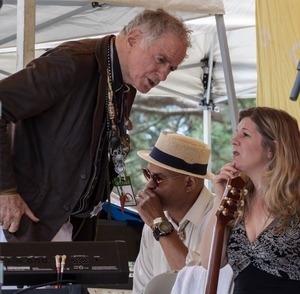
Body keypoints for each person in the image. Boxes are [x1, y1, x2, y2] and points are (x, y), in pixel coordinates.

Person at [0, 8, 191, 242]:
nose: (163, 75)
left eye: (171, 68)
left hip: (70, 226)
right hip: (25, 223)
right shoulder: (72, 62)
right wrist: (6, 191)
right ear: (133, 39)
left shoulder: (125, 82)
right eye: (161, 60)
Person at [198, 106, 300, 293]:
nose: (233, 140)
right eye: (236, 133)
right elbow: (209, 261)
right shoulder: (237, 199)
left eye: (245, 135)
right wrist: (220, 196)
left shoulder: (296, 200)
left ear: (272, 148)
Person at [133, 131, 215, 293]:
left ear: (190, 183)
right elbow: (142, 288)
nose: (149, 185)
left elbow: (197, 285)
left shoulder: (219, 217)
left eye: (158, 178)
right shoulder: (152, 222)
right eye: (148, 174)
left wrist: (160, 224)